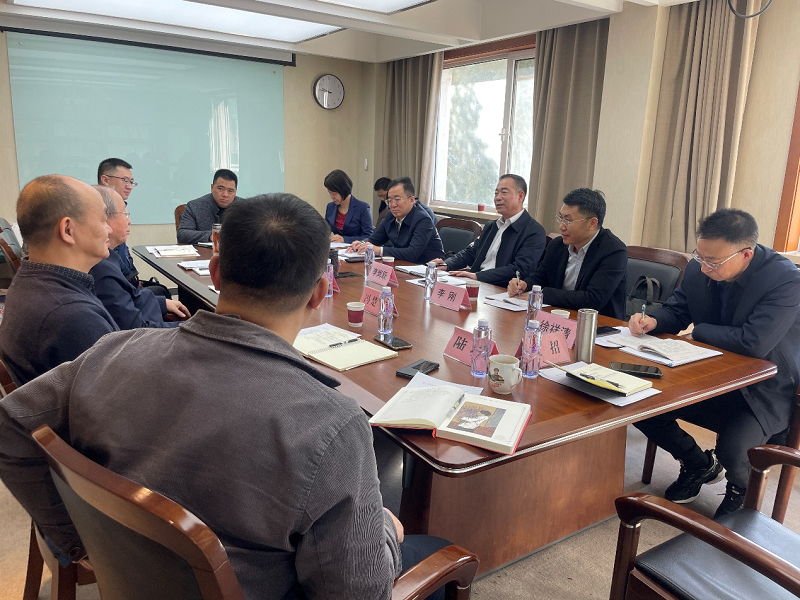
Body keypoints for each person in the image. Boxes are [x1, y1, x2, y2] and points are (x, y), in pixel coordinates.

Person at [0, 193, 452, 599]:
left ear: (215, 272)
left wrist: (81, 540)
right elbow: (359, 592)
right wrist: (386, 530)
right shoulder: (333, 424)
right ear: (319, 294)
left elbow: (10, 422)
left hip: (132, 576)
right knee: (436, 548)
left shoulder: (110, 350)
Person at [629, 209, 800, 517]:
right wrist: (654, 320)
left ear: (746, 254)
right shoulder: (700, 268)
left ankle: (741, 491)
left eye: (713, 261)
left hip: (762, 388)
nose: (704, 266)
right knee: (640, 404)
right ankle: (699, 464)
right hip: (709, 374)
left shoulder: (785, 280)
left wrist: (700, 332)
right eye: (700, 256)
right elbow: (678, 310)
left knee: (734, 450)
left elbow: (754, 342)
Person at [0, 175, 118, 385]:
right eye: (102, 220)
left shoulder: (28, 281)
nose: (109, 229)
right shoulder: (72, 317)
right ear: (68, 230)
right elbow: (119, 395)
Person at [507, 188, 627, 319]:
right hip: (557, 316)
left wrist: (542, 294)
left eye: (568, 220)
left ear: (592, 223)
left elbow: (592, 299)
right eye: (560, 218)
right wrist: (525, 284)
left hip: (599, 324)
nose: (561, 226)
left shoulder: (613, 251)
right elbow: (540, 278)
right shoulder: (557, 245)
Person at [89, 186, 189, 329]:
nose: (129, 221)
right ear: (105, 219)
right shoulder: (101, 268)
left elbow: (129, 297)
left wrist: (161, 303)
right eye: (125, 214)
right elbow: (137, 329)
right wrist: (191, 329)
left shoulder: (108, 258)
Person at [433, 174, 546, 286]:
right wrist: (447, 264)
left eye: (504, 192)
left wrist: (477, 276)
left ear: (520, 196)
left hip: (503, 289)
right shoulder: (492, 226)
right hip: (476, 283)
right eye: (496, 193)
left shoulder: (534, 232)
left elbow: (520, 269)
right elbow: (471, 252)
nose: (498, 198)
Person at [350, 177, 445, 264]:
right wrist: (363, 244)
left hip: (427, 269)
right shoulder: (390, 216)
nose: (392, 205)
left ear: (411, 200)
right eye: (389, 200)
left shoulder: (423, 220)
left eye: (397, 199)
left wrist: (379, 250)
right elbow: (375, 239)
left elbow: (412, 253)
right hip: (402, 266)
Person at [177, 169, 241, 244]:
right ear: (212, 187)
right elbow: (182, 234)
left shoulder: (245, 208)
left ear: (235, 191)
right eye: (220, 189)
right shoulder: (194, 206)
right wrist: (212, 236)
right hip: (203, 251)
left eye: (230, 191)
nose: (225, 195)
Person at [324, 169, 373, 243]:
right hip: (335, 248)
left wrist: (344, 239)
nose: (332, 197)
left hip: (355, 248)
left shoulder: (362, 208)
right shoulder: (330, 207)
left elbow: (368, 236)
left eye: (334, 193)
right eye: (329, 192)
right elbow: (325, 231)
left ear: (343, 190)